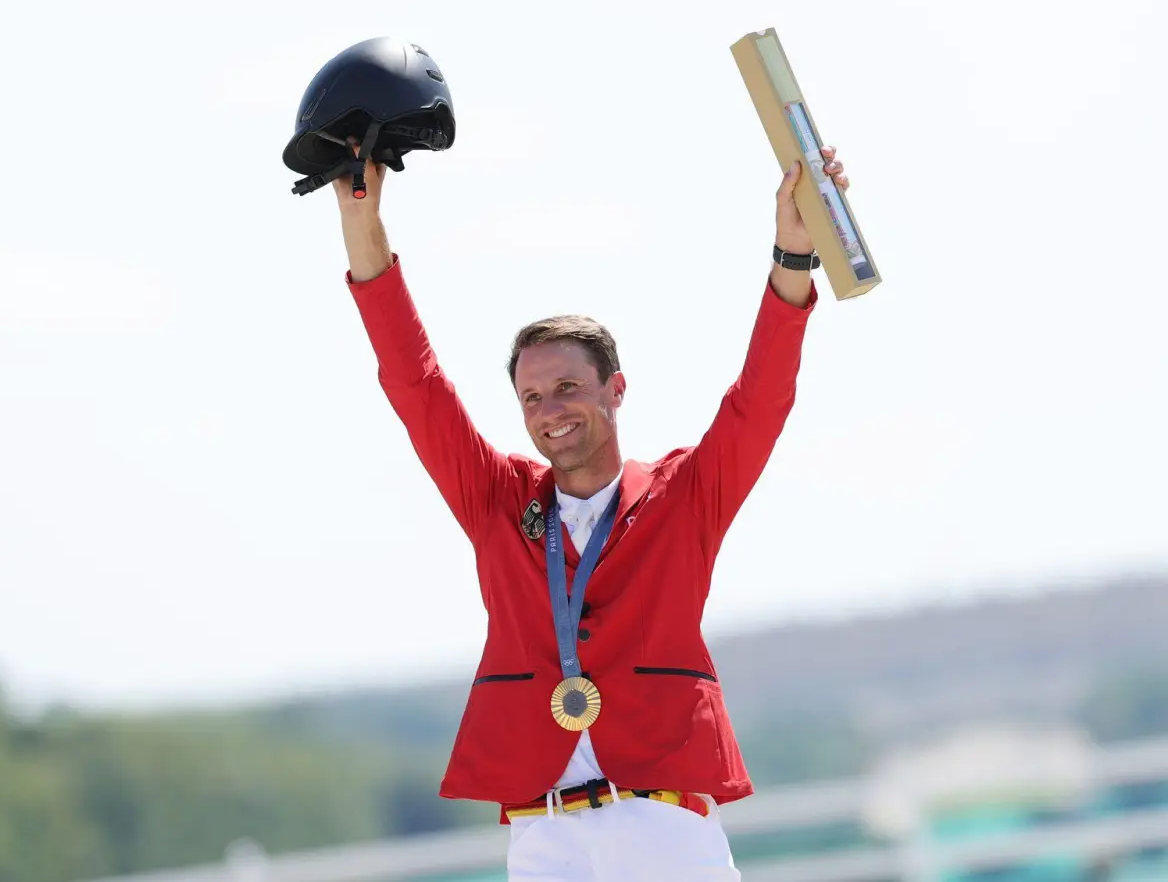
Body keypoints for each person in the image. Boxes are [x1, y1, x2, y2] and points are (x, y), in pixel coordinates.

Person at [329, 139, 851, 881]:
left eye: (569, 388)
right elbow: (416, 386)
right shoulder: (497, 501)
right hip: (546, 839)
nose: (551, 411)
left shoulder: (681, 497)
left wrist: (792, 257)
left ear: (615, 390)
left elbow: (759, 400)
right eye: (532, 397)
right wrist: (363, 227)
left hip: (666, 825)